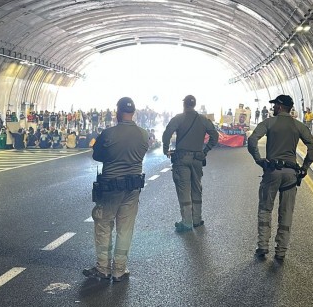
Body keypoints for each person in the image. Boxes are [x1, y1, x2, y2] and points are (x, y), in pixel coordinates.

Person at [84, 97, 149, 282]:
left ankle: (103, 268)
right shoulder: (144, 134)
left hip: (111, 188)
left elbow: (97, 155)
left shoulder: (108, 133)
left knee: (104, 225)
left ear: (118, 112)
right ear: (133, 112)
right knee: (125, 229)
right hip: (133, 188)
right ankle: (119, 270)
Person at [247, 94, 313, 260]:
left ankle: (263, 246)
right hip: (291, 174)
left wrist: (259, 160)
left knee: (265, 209)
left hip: (272, 171)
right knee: (286, 212)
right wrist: (304, 167)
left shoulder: (269, 122)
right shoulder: (298, 125)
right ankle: (281, 251)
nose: (273, 108)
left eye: (274, 105)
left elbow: (252, 140)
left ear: (279, 106)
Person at [162, 95, 219, 232]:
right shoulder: (203, 120)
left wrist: (165, 148)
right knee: (196, 188)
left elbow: (167, 133)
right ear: (194, 105)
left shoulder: (178, 118)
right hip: (198, 159)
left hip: (182, 159)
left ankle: (187, 222)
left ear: (184, 105)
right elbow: (215, 136)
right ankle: (197, 220)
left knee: (184, 190)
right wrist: (205, 151)